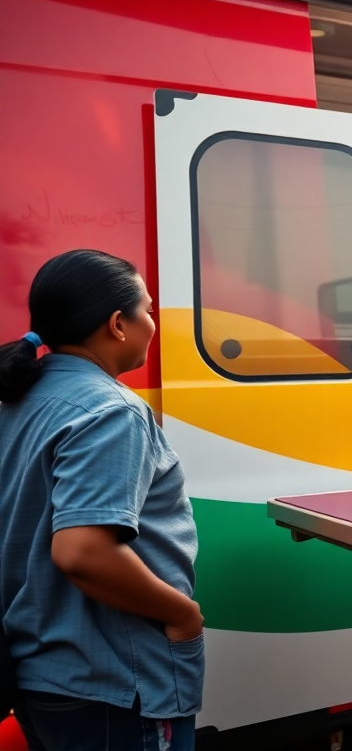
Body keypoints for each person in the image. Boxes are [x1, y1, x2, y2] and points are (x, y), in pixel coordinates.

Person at [0, 250, 203, 750]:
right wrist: (183, 617)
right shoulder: (111, 412)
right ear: (118, 324)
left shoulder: (20, 396)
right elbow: (82, 551)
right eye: (148, 310)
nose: (153, 323)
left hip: (37, 670)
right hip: (113, 678)